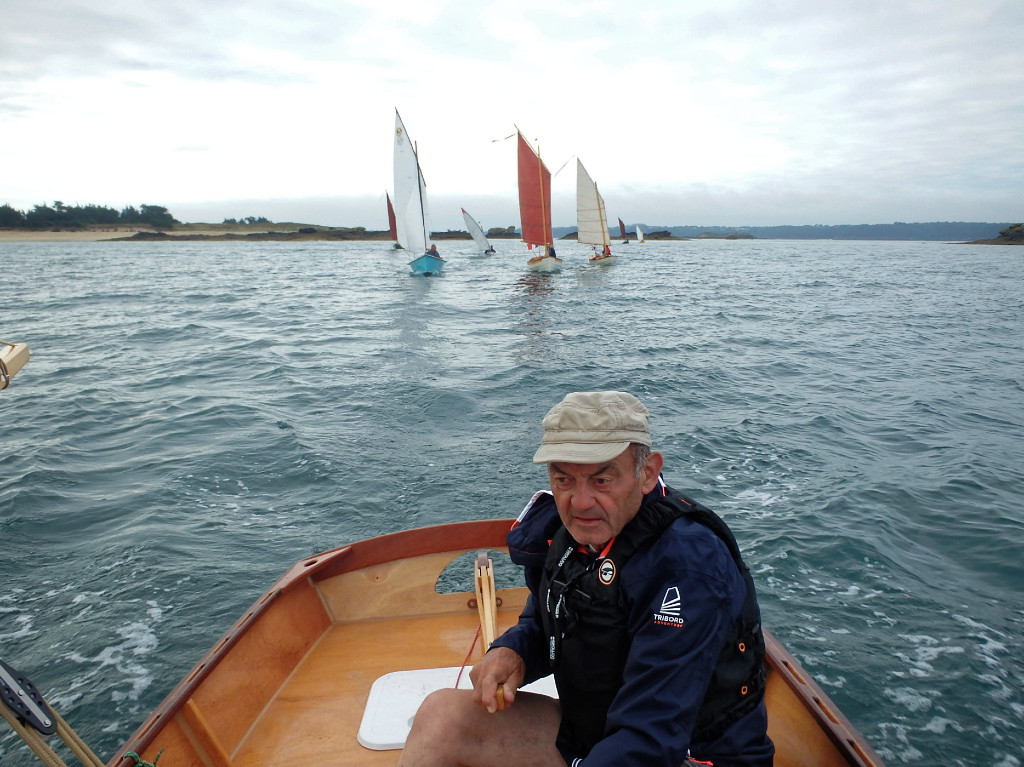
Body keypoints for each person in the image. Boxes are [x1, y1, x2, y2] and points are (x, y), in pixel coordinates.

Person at [398, 391, 774, 767]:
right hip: (597, 733)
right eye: (563, 478)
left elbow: (652, 737)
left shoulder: (687, 565)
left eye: (602, 480)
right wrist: (513, 652)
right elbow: (547, 616)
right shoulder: (579, 533)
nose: (579, 502)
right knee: (441, 717)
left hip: (684, 755)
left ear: (647, 473)